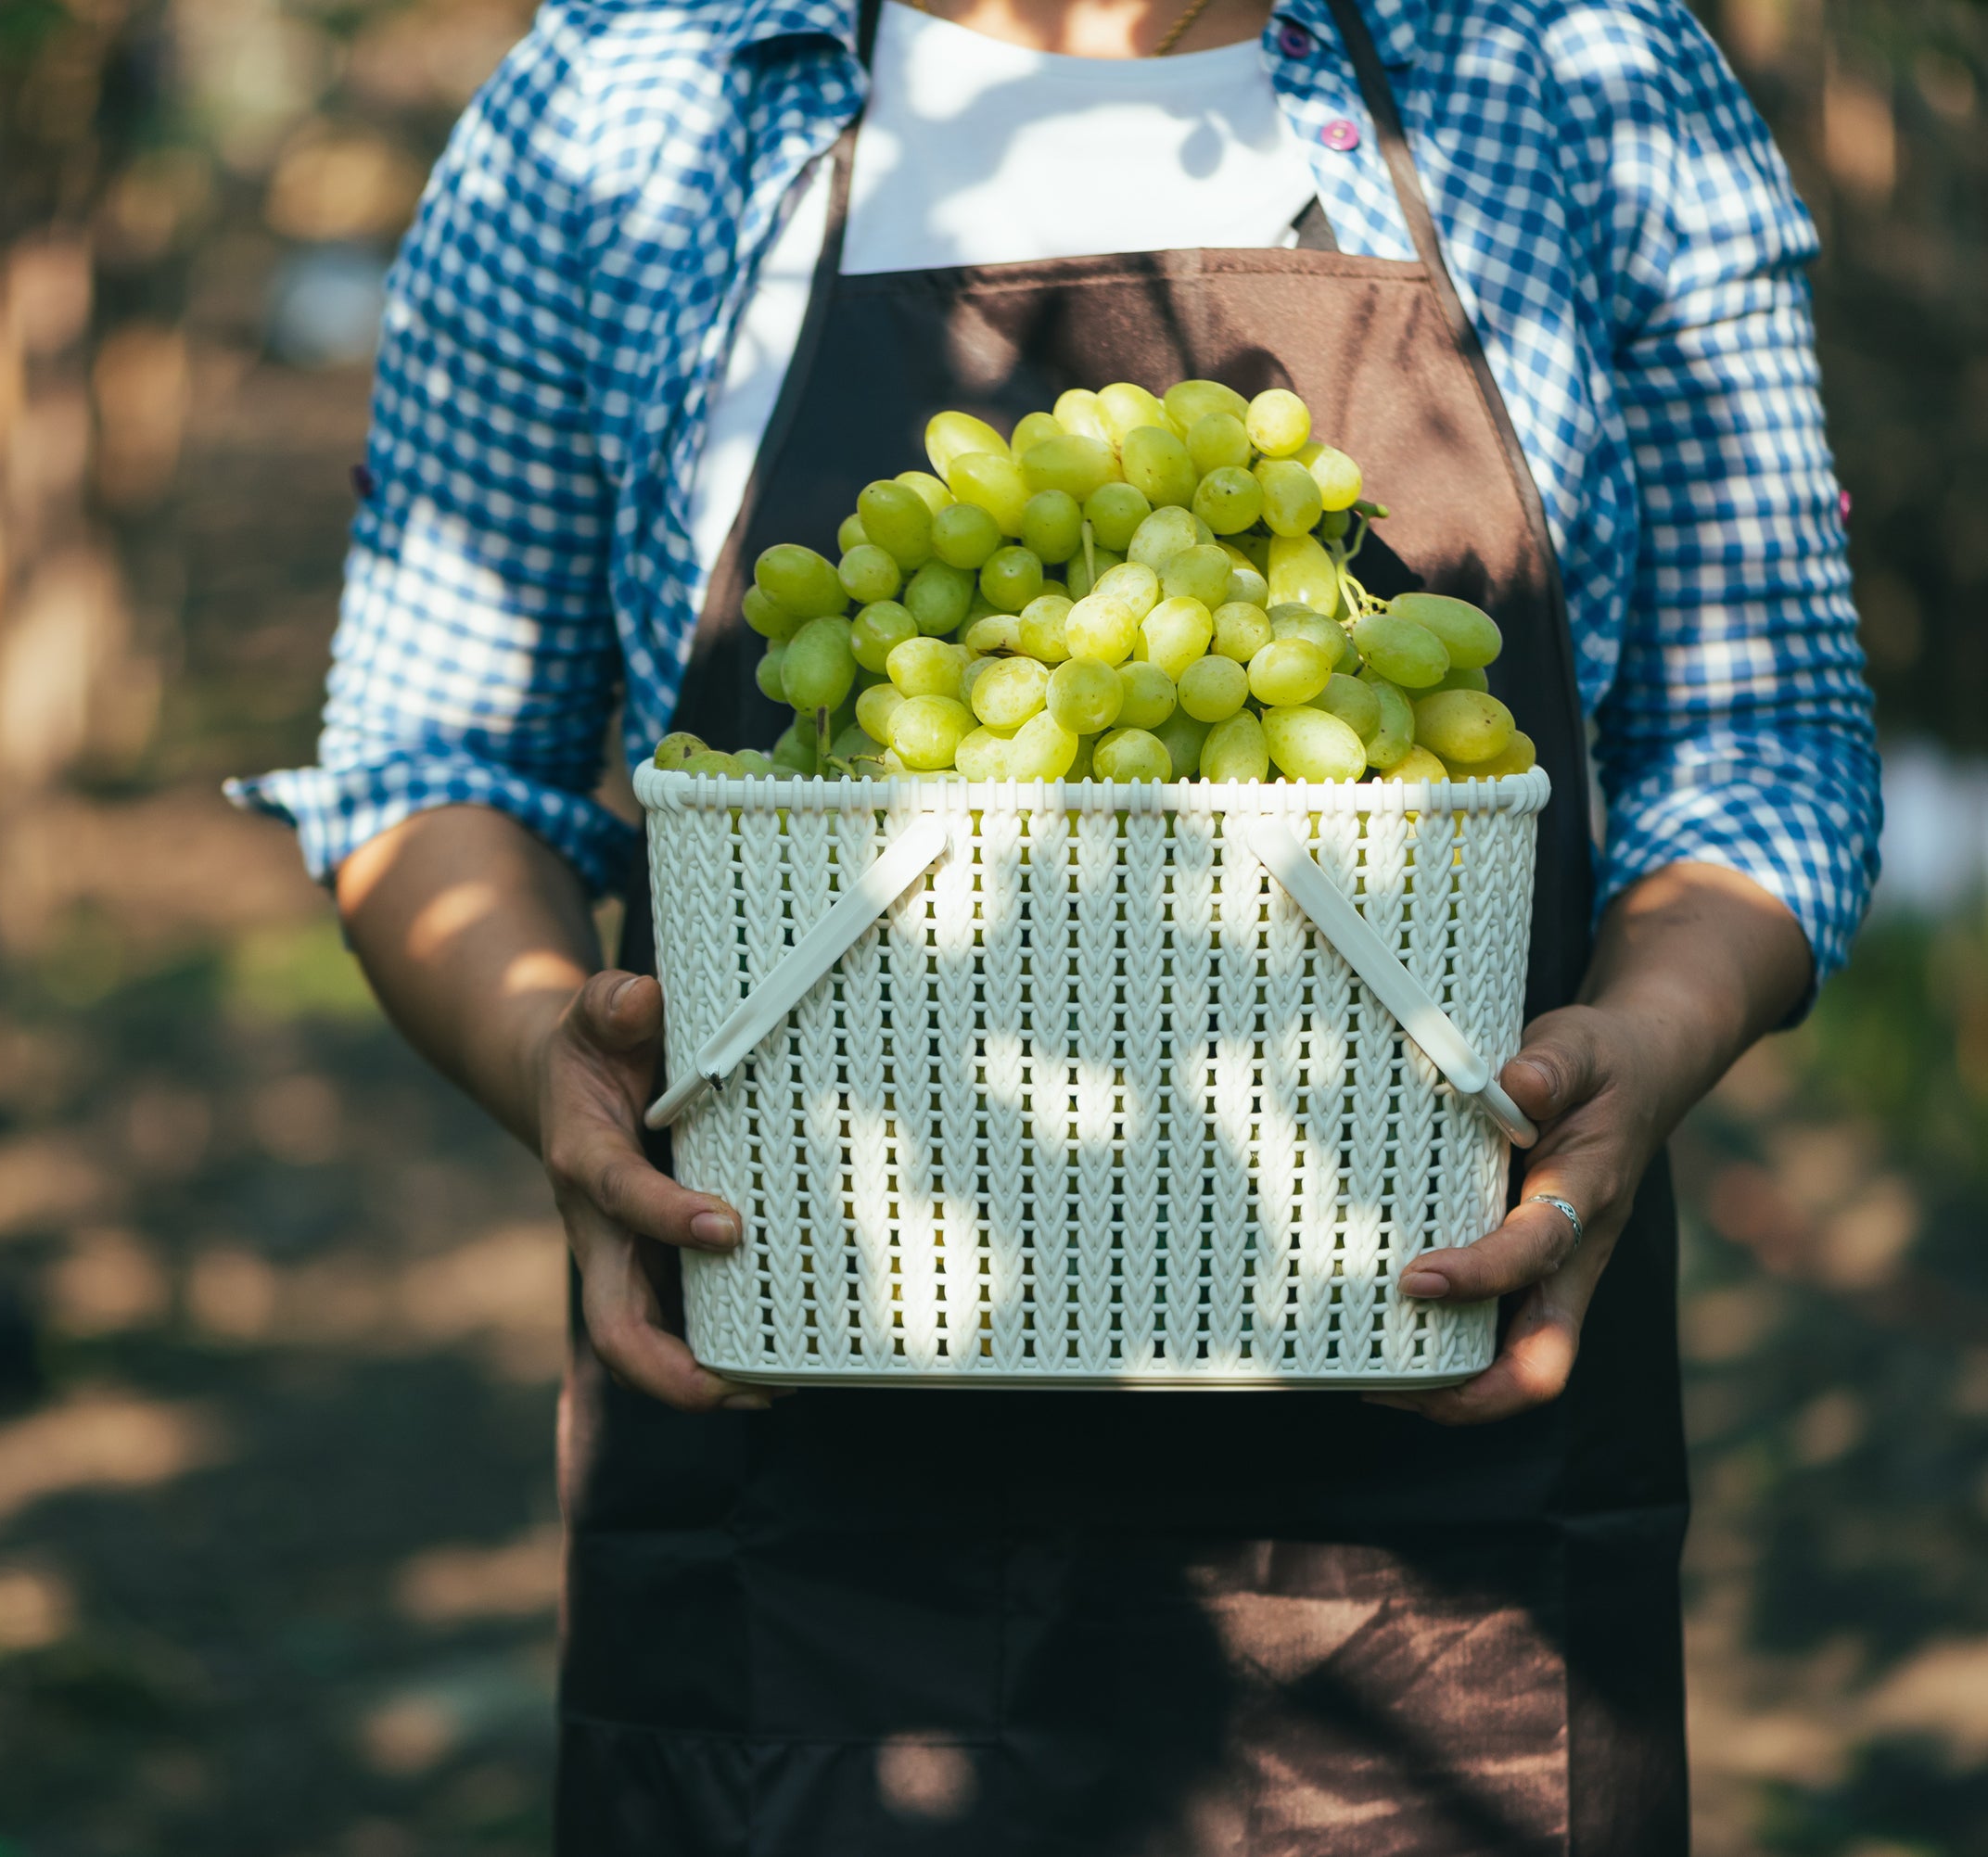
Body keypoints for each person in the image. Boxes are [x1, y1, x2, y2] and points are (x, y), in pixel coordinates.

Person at [235, 0, 1880, 1846]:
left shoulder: (1579, 68)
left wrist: (1648, 1040)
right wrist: (546, 1047)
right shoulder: (629, 98)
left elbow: (1760, 737)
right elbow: (430, 762)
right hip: (806, 1532)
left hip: (1448, 1540)